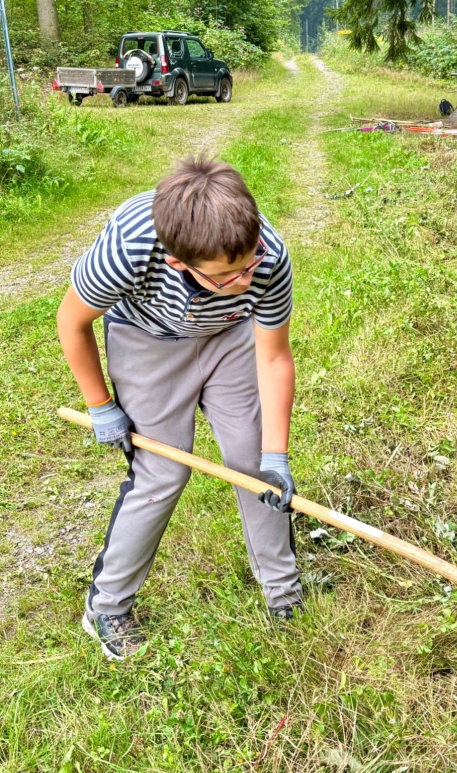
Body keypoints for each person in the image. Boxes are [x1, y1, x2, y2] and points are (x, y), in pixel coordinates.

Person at [57, 156, 302, 660]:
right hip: (145, 339)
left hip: (230, 338)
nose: (243, 280)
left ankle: (284, 593)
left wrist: (276, 454)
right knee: (163, 471)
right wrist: (100, 405)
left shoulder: (268, 257)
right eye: (225, 276)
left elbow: (274, 356)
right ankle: (107, 606)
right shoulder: (129, 246)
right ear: (178, 263)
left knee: (254, 465)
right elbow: (71, 321)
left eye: (249, 265)